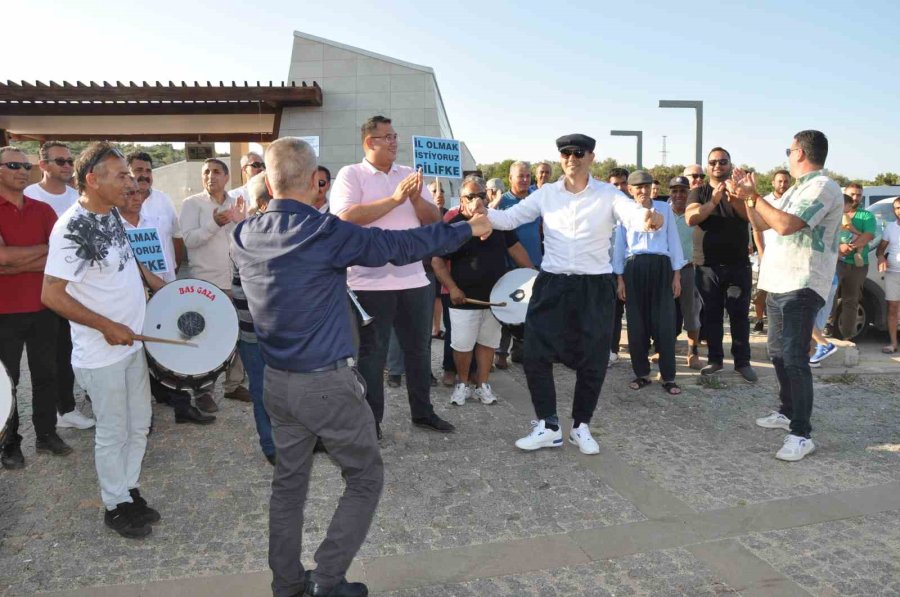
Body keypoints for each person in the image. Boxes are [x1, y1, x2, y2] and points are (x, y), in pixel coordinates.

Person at [231, 136, 492, 597]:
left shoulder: (244, 233)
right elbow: (399, 244)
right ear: (316, 181)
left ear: (267, 182)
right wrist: (465, 229)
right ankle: (326, 582)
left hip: (276, 383)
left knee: (288, 486)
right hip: (326, 385)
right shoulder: (321, 232)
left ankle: (287, 586)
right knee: (365, 477)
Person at [487, 134, 663, 455]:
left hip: (594, 286)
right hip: (552, 283)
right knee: (535, 354)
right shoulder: (546, 195)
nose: (571, 158)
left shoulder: (609, 194)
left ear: (591, 157)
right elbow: (510, 218)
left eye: (578, 152)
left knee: (593, 359)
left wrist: (649, 217)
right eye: (565, 153)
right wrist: (478, 212)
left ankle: (581, 426)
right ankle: (549, 426)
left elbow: (634, 216)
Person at [42, 142, 168, 536]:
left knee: (138, 424)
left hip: (133, 344)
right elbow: (51, 294)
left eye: (129, 174)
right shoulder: (72, 227)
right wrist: (105, 326)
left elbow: (126, 261)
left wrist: (162, 290)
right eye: (120, 175)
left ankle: (129, 490)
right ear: (92, 180)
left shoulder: (111, 214)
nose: (129, 182)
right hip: (103, 352)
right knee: (113, 431)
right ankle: (114, 504)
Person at [330, 115, 452, 437]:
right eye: (387, 137)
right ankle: (372, 423)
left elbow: (433, 220)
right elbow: (346, 217)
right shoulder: (351, 174)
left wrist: (414, 198)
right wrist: (396, 199)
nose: (395, 141)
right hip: (369, 282)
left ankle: (423, 413)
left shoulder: (411, 176)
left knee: (420, 350)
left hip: (415, 280)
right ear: (370, 142)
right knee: (373, 356)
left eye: (396, 135)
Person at [737, 130, 843, 462]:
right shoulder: (794, 190)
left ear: (799, 152)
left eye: (789, 150)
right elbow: (762, 222)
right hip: (778, 281)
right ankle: (786, 411)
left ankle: (802, 433)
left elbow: (786, 225)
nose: (787, 156)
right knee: (778, 353)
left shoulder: (823, 187)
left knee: (796, 357)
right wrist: (744, 197)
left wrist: (755, 197)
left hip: (802, 282)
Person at [118, 175, 214, 426]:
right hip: (128, 302)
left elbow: (170, 255)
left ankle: (183, 407)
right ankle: (142, 418)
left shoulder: (153, 222)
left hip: (161, 293)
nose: (137, 198)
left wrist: (171, 292)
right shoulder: (112, 228)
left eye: (140, 193)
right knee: (137, 358)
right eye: (130, 193)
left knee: (173, 351)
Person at [0, 146, 73, 470]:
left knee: (47, 374)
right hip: (5, 311)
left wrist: (15, 258)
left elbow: (59, 255)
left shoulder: (43, 210)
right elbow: (1, 261)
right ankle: (9, 442)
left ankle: (46, 434)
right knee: (7, 381)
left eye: (25, 165)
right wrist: (36, 255)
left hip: (44, 306)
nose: (21, 170)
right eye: (13, 165)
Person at [433, 176, 533, 406]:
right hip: (463, 299)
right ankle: (462, 384)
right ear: (461, 200)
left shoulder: (499, 222)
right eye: (471, 196)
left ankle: (482, 385)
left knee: (488, 343)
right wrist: (454, 288)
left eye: (480, 195)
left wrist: (532, 276)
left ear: (487, 197)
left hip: (496, 300)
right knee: (462, 345)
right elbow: (437, 262)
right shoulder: (456, 225)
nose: (476, 200)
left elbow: (516, 250)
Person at [25, 141, 96, 430]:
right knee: (46, 359)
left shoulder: (75, 197)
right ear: (43, 165)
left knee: (69, 350)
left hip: (76, 290)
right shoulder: (29, 196)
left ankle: (67, 407)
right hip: (39, 294)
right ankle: (52, 414)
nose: (67, 166)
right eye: (60, 161)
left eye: (69, 161)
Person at [180, 158, 251, 411]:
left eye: (216, 172)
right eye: (206, 172)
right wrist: (215, 223)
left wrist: (241, 221)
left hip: (236, 280)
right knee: (206, 337)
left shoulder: (238, 203)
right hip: (207, 284)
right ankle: (203, 391)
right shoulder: (192, 204)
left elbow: (247, 240)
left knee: (238, 334)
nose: (211, 176)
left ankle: (233, 385)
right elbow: (189, 240)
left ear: (227, 176)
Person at [686, 147, 758, 382]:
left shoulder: (740, 191)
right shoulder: (699, 191)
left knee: (738, 315)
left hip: (737, 264)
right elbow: (691, 218)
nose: (718, 165)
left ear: (730, 164)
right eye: (713, 162)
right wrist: (714, 201)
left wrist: (733, 195)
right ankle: (715, 361)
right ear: (707, 167)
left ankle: (742, 363)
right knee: (712, 315)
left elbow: (749, 217)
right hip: (707, 265)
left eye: (723, 161)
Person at [614, 171, 684, 395]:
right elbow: (619, 247)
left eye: (646, 186)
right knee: (636, 323)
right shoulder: (624, 212)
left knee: (665, 322)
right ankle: (641, 374)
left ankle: (669, 376)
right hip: (634, 267)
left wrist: (676, 275)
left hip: (661, 266)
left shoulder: (664, 208)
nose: (643, 191)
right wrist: (620, 279)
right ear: (631, 190)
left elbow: (673, 239)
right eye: (638, 187)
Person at [231, 173, 275, 464]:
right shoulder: (246, 233)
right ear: (262, 204)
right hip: (255, 331)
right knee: (261, 390)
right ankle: (271, 446)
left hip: (284, 331)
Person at [494, 161, 542, 368]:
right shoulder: (502, 202)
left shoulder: (537, 199)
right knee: (506, 310)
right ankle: (501, 353)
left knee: (530, 311)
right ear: (510, 178)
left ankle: (523, 352)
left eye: (527, 176)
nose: (524, 180)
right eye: (520, 176)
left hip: (534, 264)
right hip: (508, 267)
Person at [830, 182, 875, 339]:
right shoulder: (833, 213)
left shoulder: (867, 215)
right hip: (834, 262)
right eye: (852, 194)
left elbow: (868, 235)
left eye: (859, 195)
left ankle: (847, 336)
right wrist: (839, 248)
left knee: (851, 301)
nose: (855, 198)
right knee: (829, 295)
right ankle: (826, 328)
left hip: (857, 265)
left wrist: (849, 246)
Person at [751, 170, 792, 334]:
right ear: (773, 183)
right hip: (768, 254)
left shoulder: (793, 201)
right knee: (762, 291)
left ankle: (782, 324)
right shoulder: (764, 201)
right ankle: (760, 319)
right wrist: (761, 251)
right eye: (780, 181)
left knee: (786, 292)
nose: (783, 185)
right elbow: (757, 229)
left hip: (788, 255)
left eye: (786, 182)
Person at [668, 175, 703, 369]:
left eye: (683, 191)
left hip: (690, 269)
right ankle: (665, 348)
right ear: (670, 193)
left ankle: (693, 352)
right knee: (667, 313)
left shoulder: (695, 214)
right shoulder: (663, 214)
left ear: (688, 192)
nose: (679, 195)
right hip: (668, 271)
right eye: (675, 191)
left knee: (691, 313)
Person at [607, 167, 630, 366]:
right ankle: (610, 349)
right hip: (606, 269)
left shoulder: (634, 207)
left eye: (623, 183)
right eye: (615, 184)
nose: (620, 187)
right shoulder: (603, 207)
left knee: (631, 312)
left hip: (630, 268)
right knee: (610, 311)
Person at [876, 197, 900, 353]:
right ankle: (893, 343)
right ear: (894, 210)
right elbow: (880, 249)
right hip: (893, 274)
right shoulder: (890, 228)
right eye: (897, 208)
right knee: (892, 308)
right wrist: (881, 257)